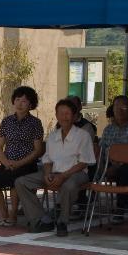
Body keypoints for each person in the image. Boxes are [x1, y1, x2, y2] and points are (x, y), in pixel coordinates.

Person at [16, 98, 95, 237]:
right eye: (60, 113)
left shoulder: (83, 135)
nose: (64, 117)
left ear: (74, 115)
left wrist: (63, 176)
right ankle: (41, 218)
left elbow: (84, 162)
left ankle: (62, 221)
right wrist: (47, 174)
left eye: (67, 113)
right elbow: (47, 159)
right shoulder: (53, 136)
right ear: (56, 115)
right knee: (21, 182)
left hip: (76, 173)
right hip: (54, 172)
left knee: (68, 186)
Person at [0, 86, 45, 226]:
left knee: (15, 180)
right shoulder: (6, 121)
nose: (19, 104)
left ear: (30, 105)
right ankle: (4, 215)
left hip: (26, 164)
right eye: (17, 100)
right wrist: (5, 162)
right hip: (8, 163)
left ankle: (13, 216)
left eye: (24, 101)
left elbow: (38, 150)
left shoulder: (35, 123)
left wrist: (19, 163)